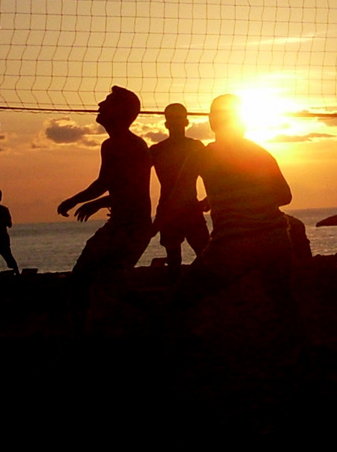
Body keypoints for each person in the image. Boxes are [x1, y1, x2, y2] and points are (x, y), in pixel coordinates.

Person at [157, 94, 294, 314]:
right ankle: (298, 344)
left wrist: (149, 229)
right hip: (277, 240)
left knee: (181, 299)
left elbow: (177, 200)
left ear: (212, 123)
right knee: (281, 299)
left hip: (232, 244)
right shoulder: (261, 153)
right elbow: (285, 196)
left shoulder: (201, 156)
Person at [58, 86, 153, 327]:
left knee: (93, 281)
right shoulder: (110, 145)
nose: (100, 105)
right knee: (96, 282)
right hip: (121, 224)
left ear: (121, 112)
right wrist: (78, 200)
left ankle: (154, 321)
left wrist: (94, 202)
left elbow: (132, 190)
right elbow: (104, 182)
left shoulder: (134, 146)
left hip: (132, 227)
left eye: (107, 102)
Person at [149, 103, 210, 280]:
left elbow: (212, 174)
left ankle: (183, 296)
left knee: (199, 256)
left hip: (181, 210)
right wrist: (209, 199)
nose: (175, 123)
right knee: (194, 257)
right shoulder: (158, 150)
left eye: (177, 118)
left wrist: (208, 199)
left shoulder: (192, 147)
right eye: (173, 119)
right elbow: (214, 176)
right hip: (177, 211)